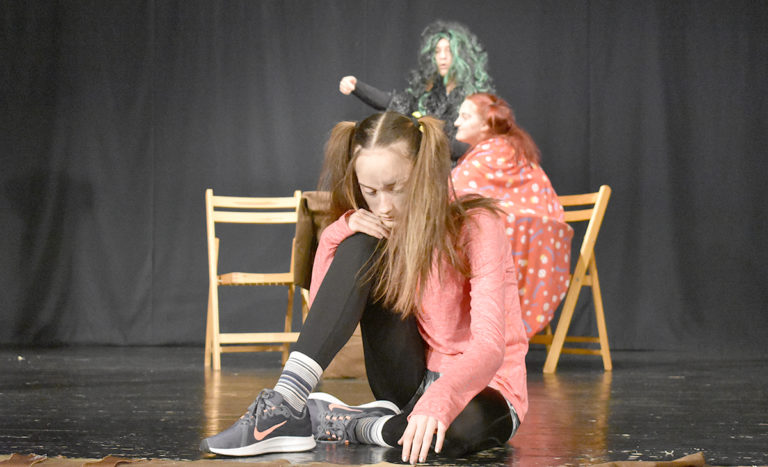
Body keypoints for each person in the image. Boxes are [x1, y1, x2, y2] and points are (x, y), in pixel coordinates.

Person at [200, 111, 528, 463]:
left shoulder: (477, 224)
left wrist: (438, 401)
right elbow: (325, 315)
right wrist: (338, 232)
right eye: (370, 192)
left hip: (487, 388)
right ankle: (286, 404)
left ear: (423, 173)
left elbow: (489, 347)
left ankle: (356, 426)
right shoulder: (384, 227)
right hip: (409, 381)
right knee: (361, 242)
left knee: (437, 438)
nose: (383, 207)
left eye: (395, 189)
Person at [452, 92, 574, 338]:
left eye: (464, 116)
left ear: (485, 124)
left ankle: (481, 333)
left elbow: (451, 191)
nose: (456, 122)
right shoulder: (492, 151)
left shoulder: (497, 152)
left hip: (533, 238)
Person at [339, 20, 494, 163]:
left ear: (462, 56)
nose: (442, 57)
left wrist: (427, 133)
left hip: (460, 174)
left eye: (449, 51)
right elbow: (392, 102)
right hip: (426, 170)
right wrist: (356, 87)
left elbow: (464, 147)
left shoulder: (476, 99)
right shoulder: (427, 93)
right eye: (437, 51)